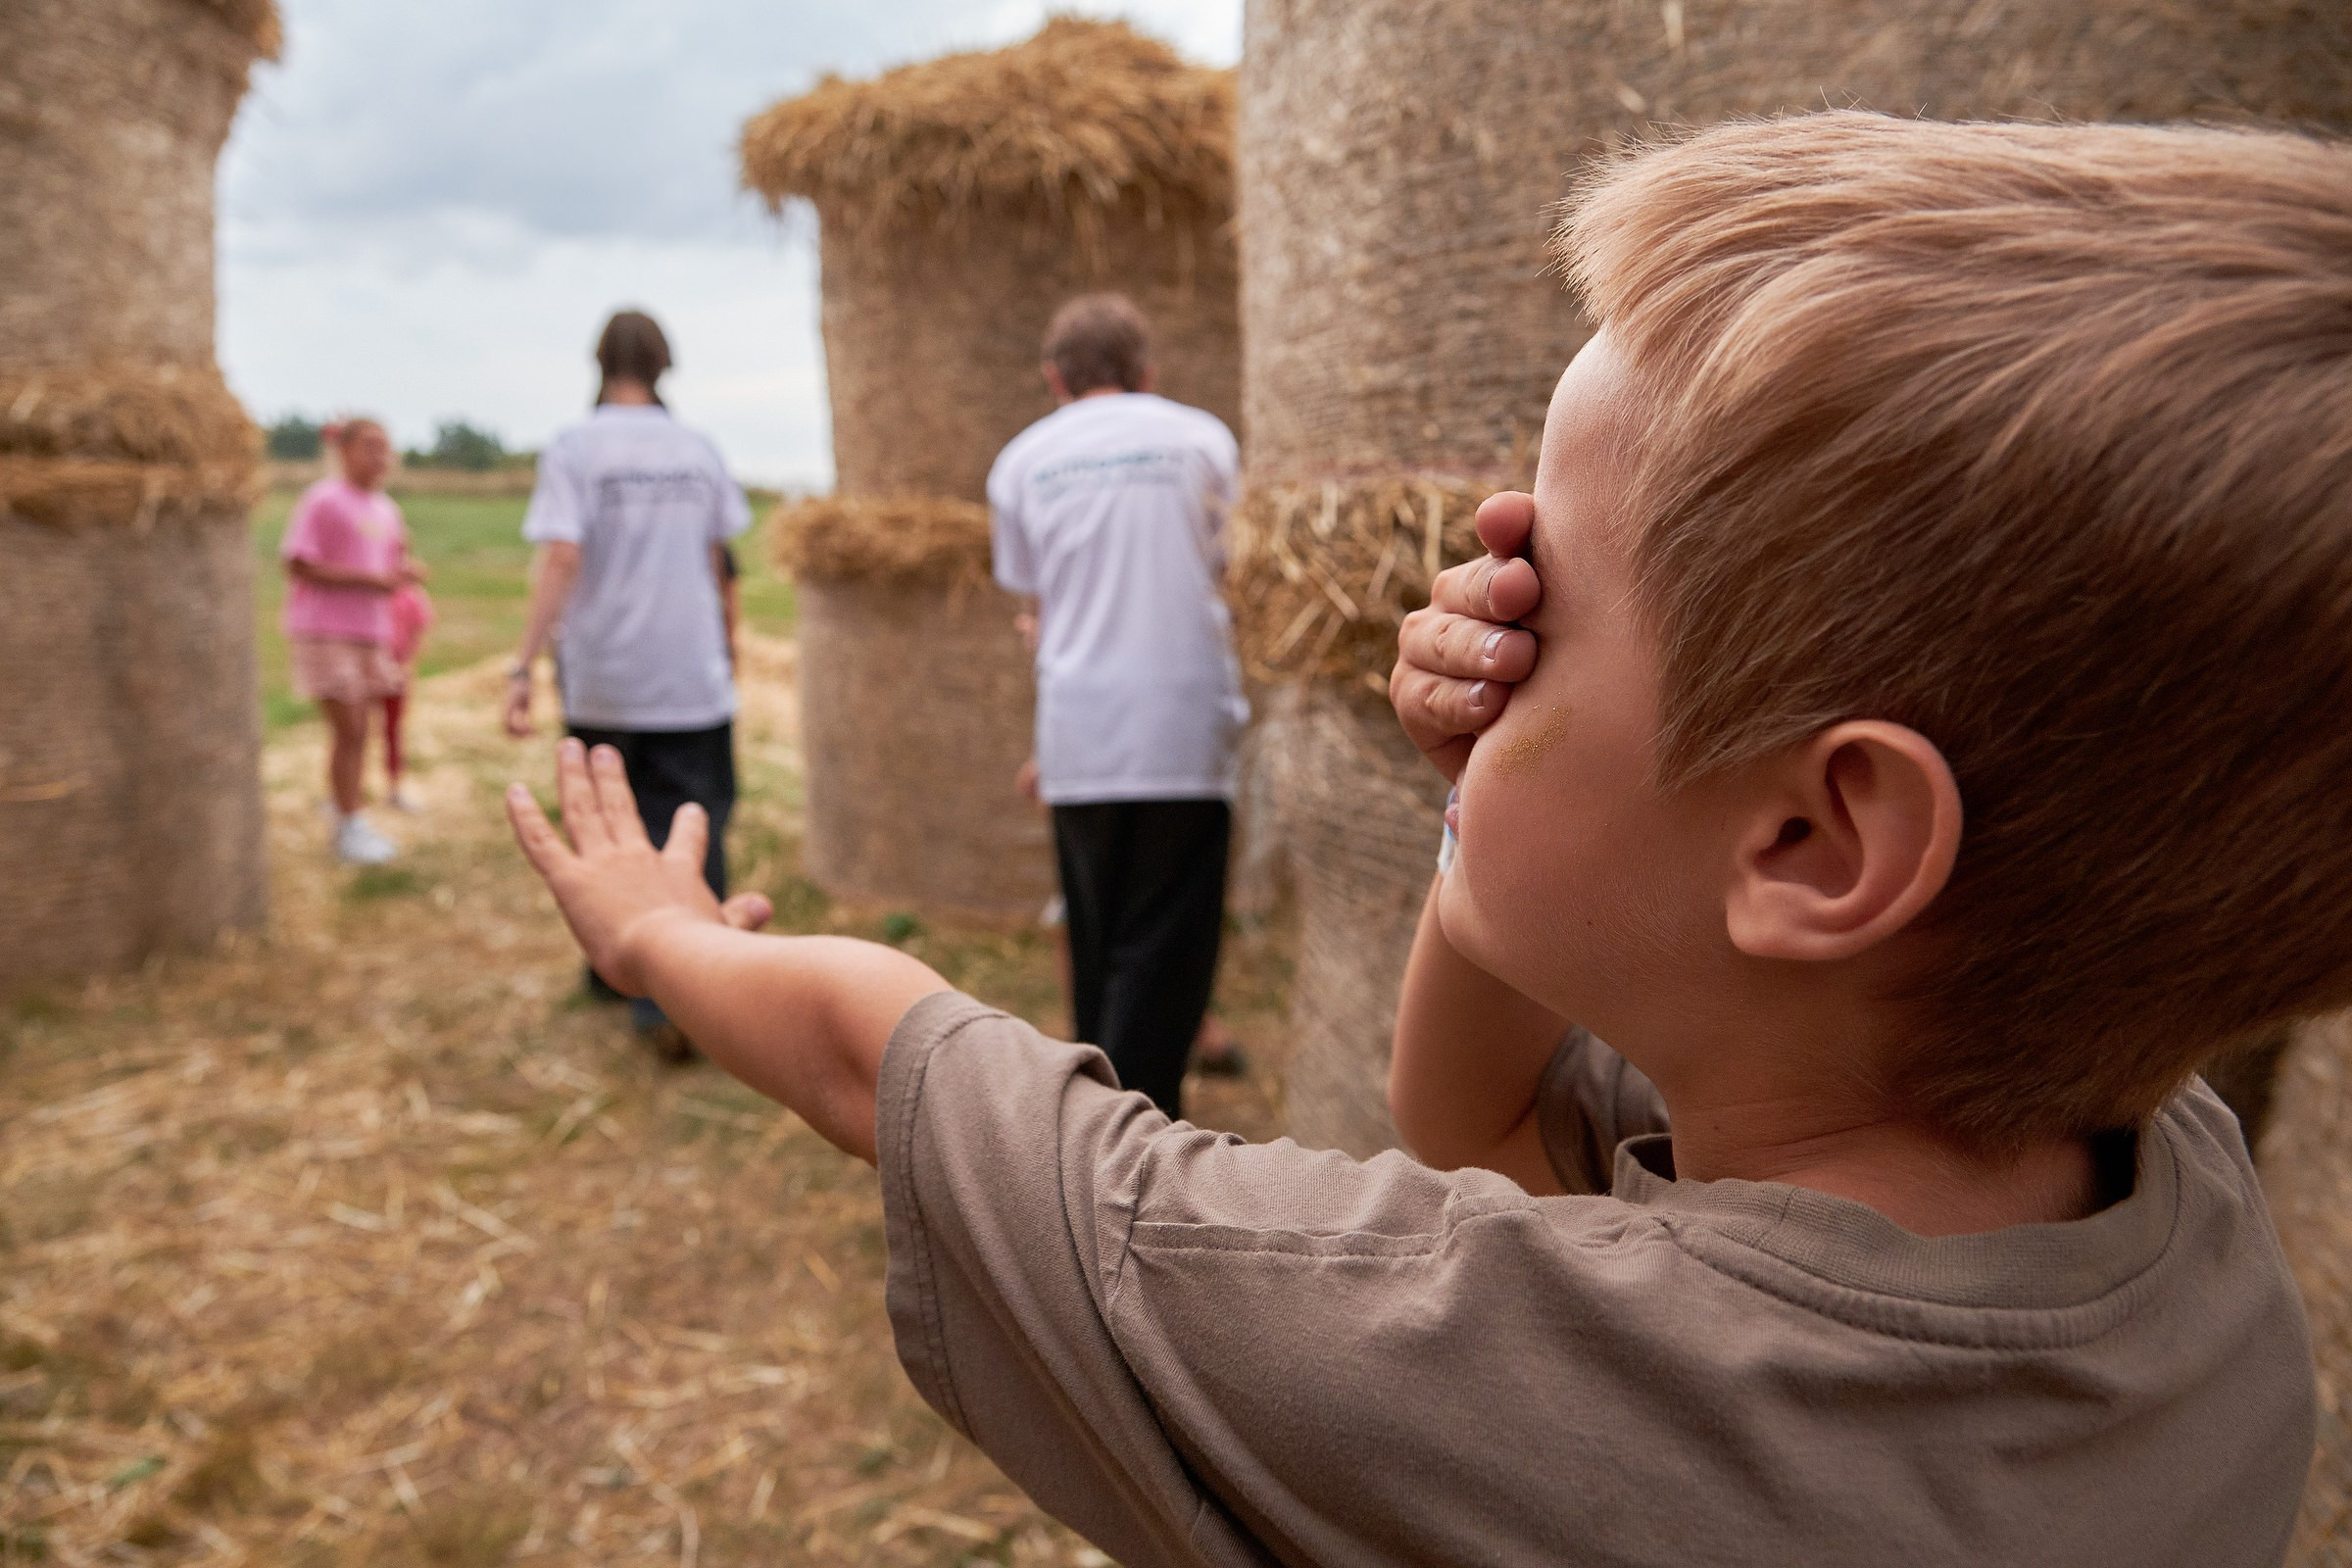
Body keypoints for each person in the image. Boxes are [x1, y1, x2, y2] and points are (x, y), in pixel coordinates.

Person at [501, 114, 2346, 1564]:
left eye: (1544, 598)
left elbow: (881, 1057)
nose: (1478, 615)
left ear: (1816, 841)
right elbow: (1471, 1121)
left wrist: (661, 934)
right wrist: (1503, 802)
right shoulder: (2176, 1219)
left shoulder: (1436, 1373)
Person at [988, 293, 1249, 1119]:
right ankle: (1135, 1132)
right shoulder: (1204, 439)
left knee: (1098, 940)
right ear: (1146, 374)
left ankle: (1092, 1125)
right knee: (1167, 945)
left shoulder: (1021, 462)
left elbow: (1036, 604)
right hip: (1185, 721)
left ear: (1053, 378)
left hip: (1081, 731)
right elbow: (1231, 569)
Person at [504, 308, 751, 1059]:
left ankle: (616, 974)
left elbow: (561, 560)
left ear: (600, 362)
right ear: (664, 363)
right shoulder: (698, 448)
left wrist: (523, 662)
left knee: (605, 820)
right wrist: (729, 647)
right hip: (686, 674)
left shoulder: (576, 447)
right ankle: (685, 996)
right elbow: (718, 562)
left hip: (606, 675)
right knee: (691, 825)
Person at [280, 417, 418, 864]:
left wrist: (402, 574)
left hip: (370, 632)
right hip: (327, 630)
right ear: (344, 451)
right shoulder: (323, 500)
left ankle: (346, 809)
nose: (381, 457)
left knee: (362, 731)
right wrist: (372, 580)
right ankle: (348, 824)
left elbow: (392, 563)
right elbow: (298, 563)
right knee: (352, 729)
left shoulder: (386, 509)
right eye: (370, 446)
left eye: (385, 447)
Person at [380, 574, 435, 811]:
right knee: (356, 731)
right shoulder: (371, 594)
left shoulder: (410, 596)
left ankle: (394, 786)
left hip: (396, 670)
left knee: (393, 730)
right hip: (368, 668)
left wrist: (407, 664)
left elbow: (420, 628)